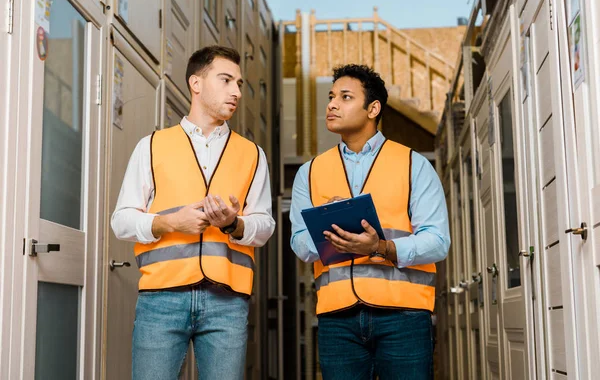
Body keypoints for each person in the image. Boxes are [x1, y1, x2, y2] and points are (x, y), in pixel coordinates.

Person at [111, 45, 275, 380]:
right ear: (196, 84)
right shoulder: (152, 146)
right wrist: (170, 222)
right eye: (226, 80)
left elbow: (265, 225)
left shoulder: (252, 154)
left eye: (240, 84)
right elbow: (121, 221)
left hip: (227, 302)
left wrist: (233, 223)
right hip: (161, 298)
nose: (236, 92)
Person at [289, 64, 450, 380]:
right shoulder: (309, 172)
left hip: (404, 317)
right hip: (337, 319)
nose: (332, 104)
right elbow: (300, 243)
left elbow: (438, 241)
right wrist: (331, 230)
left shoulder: (413, 165)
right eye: (332, 96)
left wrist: (382, 246)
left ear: (373, 108)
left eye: (346, 97)